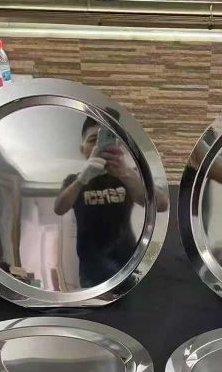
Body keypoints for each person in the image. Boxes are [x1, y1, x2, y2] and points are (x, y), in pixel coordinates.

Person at [54, 114, 168, 287]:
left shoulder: (130, 175)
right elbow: (59, 208)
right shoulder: (73, 180)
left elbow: (161, 204)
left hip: (129, 262)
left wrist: (126, 173)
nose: (98, 146)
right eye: (92, 140)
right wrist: (82, 179)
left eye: (105, 140)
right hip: (91, 267)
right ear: (82, 149)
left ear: (119, 146)